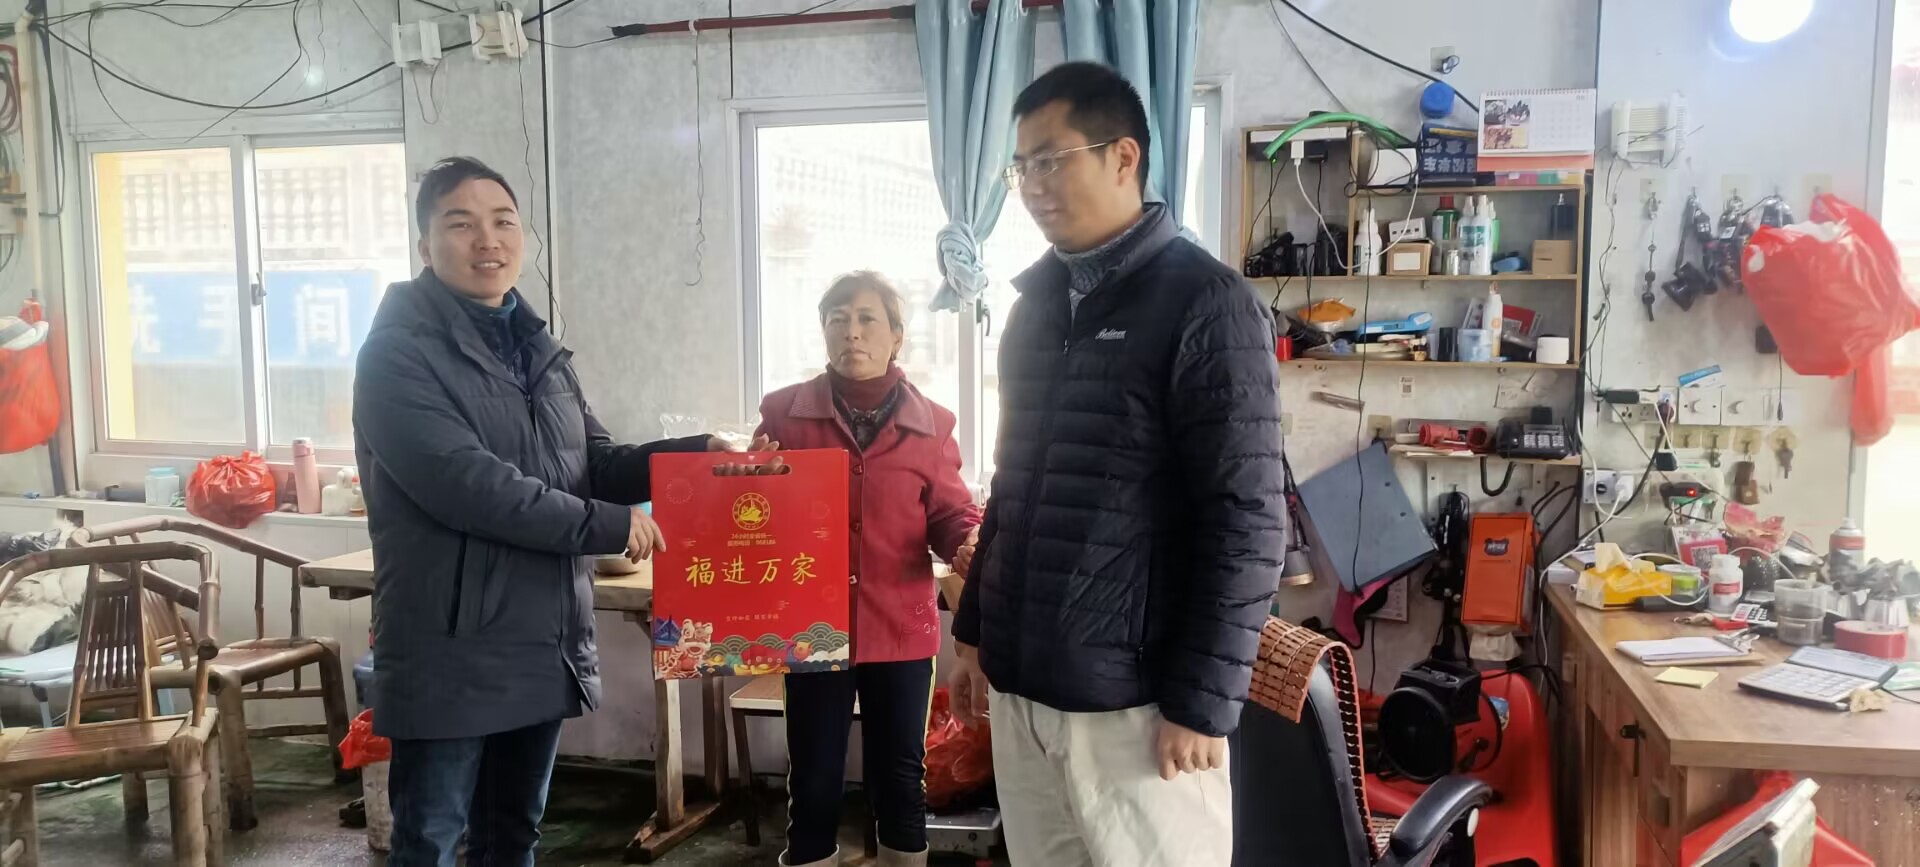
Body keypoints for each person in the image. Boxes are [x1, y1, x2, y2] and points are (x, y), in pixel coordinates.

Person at [353, 156, 759, 867]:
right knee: (431, 841)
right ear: (424, 245)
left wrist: (698, 456)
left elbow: (591, 462)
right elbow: (467, 484)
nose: (488, 240)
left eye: (504, 221)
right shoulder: (396, 356)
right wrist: (608, 525)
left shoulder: (537, 351)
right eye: (462, 223)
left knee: (514, 834)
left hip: (542, 637)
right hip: (450, 647)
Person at [947, 62, 1287, 866]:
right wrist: (974, 633)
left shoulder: (1206, 303)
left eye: (1050, 160)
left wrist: (1202, 701)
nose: (1032, 186)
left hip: (1139, 706)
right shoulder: (1034, 310)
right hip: (1026, 688)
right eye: (1021, 166)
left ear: (1123, 156)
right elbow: (1015, 489)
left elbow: (1245, 517)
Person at [753, 272, 983, 867]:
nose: (851, 332)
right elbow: (752, 513)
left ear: (896, 336)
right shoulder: (783, 414)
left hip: (900, 626)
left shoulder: (933, 423)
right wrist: (750, 481)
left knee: (900, 777)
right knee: (813, 776)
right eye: (838, 319)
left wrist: (967, 541)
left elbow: (949, 513)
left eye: (866, 319)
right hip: (812, 626)